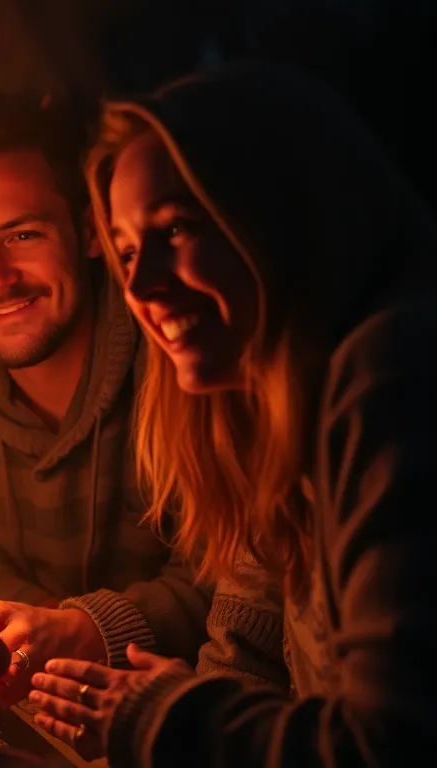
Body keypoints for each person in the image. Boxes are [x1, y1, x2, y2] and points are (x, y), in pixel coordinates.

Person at [29, 62, 437, 767]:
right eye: (125, 251)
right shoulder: (260, 408)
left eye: (179, 227)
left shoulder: (393, 377)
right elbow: (249, 662)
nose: (141, 284)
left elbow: (389, 746)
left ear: (287, 216)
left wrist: (163, 715)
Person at [0, 92, 209, 705]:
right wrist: (31, 631)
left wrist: (86, 628)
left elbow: (240, 585)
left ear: (92, 233)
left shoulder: (184, 362)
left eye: (22, 235)